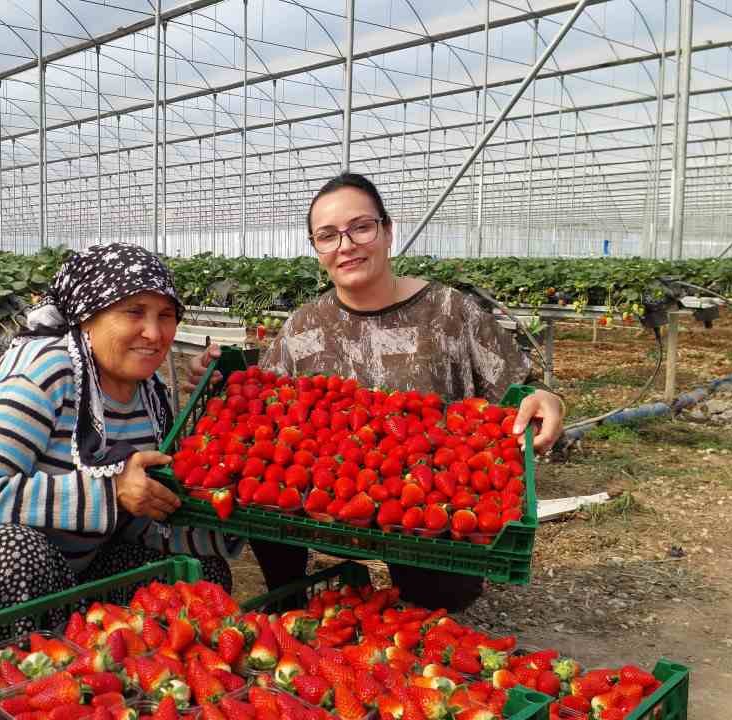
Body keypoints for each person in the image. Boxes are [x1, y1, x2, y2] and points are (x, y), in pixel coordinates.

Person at [0, 243, 242, 720]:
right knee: (15, 553)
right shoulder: (45, 372)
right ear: (86, 319)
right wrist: (110, 493)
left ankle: (111, 696)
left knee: (195, 572)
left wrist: (228, 488)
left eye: (167, 315)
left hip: (66, 575)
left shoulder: (150, 396)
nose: (154, 332)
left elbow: (142, 518)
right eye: (134, 312)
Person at [186, 172, 565, 612]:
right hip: (321, 502)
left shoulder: (450, 312)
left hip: (430, 509)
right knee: (262, 487)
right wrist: (216, 384)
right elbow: (261, 415)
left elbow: (519, 389)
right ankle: (293, 604)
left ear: (387, 230)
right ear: (316, 249)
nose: (345, 245)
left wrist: (547, 399)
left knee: (439, 605)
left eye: (360, 227)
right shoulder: (303, 327)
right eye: (327, 236)